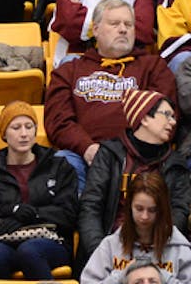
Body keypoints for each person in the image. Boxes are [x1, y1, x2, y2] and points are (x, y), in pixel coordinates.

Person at [48, 0, 175, 187]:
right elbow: (58, 120)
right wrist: (88, 148)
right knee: (63, 162)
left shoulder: (153, 66)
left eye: (129, 24)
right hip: (83, 156)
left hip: (139, 159)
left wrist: (127, 154)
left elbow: (164, 117)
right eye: (115, 24)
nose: (123, 29)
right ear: (96, 29)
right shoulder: (69, 70)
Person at [0, 100, 78, 280]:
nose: (24, 134)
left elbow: (69, 213)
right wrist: (13, 211)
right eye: (16, 127)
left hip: (50, 240)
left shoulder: (58, 167)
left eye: (29, 127)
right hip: (2, 240)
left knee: (30, 251)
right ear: (4, 133)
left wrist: (33, 214)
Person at [78, 91, 191, 258]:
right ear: (144, 118)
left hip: (158, 252)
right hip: (108, 248)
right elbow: (91, 206)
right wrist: (100, 253)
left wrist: (158, 250)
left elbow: (179, 212)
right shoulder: (110, 154)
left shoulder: (176, 163)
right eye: (167, 115)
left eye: (173, 116)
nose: (173, 122)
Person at [86, 170, 191, 284]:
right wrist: (122, 277)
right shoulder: (111, 245)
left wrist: (159, 277)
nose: (144, 217)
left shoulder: (179, 248)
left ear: (162, 210)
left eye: (152, 210)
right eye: (139, 208)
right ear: (129, 207)